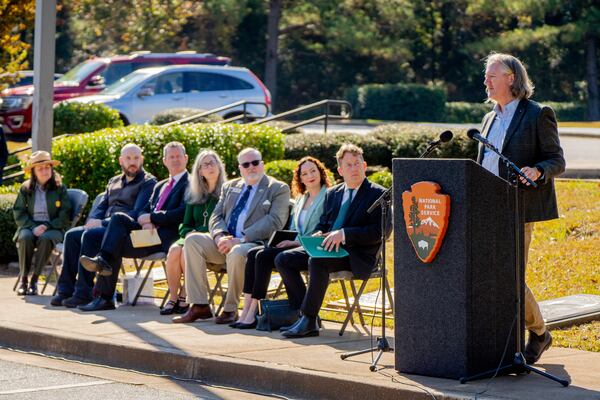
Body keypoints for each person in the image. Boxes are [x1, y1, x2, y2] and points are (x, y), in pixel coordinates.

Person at [478, 53, 565, 364]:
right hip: (485, 209)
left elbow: (557, 160)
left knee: (511, 276)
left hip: (517, 208)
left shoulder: (537, 114)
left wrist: (538, 170)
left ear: (511, 78)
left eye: (491, 76)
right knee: (489, 273)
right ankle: (499, 337)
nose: (485, 81)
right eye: (486, 76)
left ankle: (539, 333)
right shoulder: (489, 118)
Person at [275, 144, 387, 338]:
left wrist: (344, 234)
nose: (354, 168)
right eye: (349, 165)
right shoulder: (333, 193)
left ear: (365, 165)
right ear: (340, 170)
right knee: (283, 259)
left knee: (317, 261)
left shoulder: (378, 194)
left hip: (356, 254)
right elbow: (324, 224)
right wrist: (319, 234)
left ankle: (308, 319)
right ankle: (303, 314)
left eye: (357, 163)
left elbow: (379, 232)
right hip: (327, 247)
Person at [173, 148, 290, 324]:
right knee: (192, 240)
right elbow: (216, 215)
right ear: (240, 168)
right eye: (246, 164)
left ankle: (230, 309)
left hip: (254, 244)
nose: (251, 167)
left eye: (255, 163)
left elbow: (274, 221)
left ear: (262, 164)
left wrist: (240, 238)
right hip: (225, 242)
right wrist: (220, 236)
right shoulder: (230, 187)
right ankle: (200, 305)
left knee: (236, 251)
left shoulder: (277, 188)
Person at [79, 142, 189, 311]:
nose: (175, 160)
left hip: (166, 237)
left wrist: (152, 217)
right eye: (171, 157)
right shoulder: (161, 185)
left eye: (178, 156)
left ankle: (103, 281)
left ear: (186, 159)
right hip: (147, 235)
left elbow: (182, 212)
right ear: (164, 161)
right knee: (117, 223)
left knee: (113, 238)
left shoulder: (189, 183)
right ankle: (105, 297)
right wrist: (146, 220)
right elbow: (144, 209)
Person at [51, 143, 156, 308]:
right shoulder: (113, 181)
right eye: (128, 158)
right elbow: (101, 207)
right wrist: (93, 219)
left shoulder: (148, 182)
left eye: (136, 158)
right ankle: (65, 290)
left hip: (123, 230)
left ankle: (83, 293)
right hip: (103, 226)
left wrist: (101, 222)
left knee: (90, 236)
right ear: (121, 161)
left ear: (141, 159)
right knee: (72, 235)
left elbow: (137, 213)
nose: (132, 162)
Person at [233, 156, 331, 329]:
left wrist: (294, 243)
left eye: (313, 171)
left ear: (321, 172)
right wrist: (285, 240)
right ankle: (248, 307)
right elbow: (294, 227)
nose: (310, 176)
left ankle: (255, 310)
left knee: (263, 256)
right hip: (293, 245)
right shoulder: (301, 198)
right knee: (253, 253)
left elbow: (321, 230)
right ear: (300, 178)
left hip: (309, 247)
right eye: (305, 173)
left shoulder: (329, 196)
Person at [160, 150, 227, 315]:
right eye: (205, 164)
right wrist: (189, 232)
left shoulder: (227, 192)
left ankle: (185, 296)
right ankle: (174, 296)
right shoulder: (194, 194)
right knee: (174, 250)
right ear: (199, 171)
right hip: (191, 236)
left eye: (213, 162)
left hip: (212, 240)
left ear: (219, 167)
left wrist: (198, 233)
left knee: (186, 250)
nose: (210, 167)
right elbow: (185, 224)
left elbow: (226, 224)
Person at [13, 151, 72, 295]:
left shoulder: (60, 188)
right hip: (30, 226)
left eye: (47, 167)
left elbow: (65, 215)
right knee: (25, 237)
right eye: (40, 168)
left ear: (52, 169)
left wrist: (47, 226)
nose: (45, 171)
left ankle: (34, 280)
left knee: (45, 239)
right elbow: (19, 212)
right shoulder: (26, 189)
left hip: (54, 227)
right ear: (33, 172)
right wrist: (33, 227)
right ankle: (24, 280)